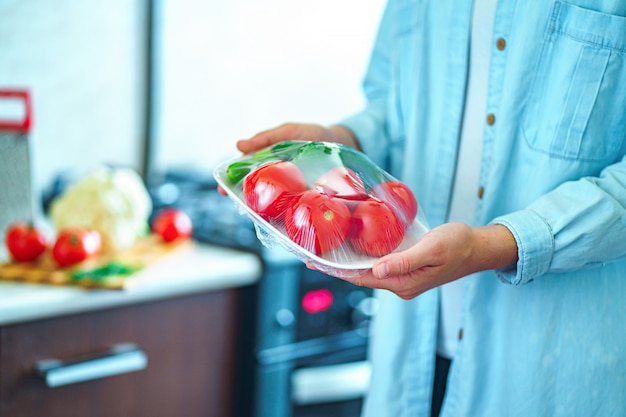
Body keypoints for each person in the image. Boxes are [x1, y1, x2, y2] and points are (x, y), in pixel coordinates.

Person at [234, 0, 626, 416]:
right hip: (411, 354)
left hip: (550, 369)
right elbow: (391, 106)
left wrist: (494, 245)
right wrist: (338, 139)